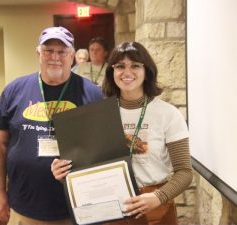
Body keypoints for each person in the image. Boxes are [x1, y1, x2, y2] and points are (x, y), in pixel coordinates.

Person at [51, 41, 193, 225]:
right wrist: (64, 173)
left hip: (155, 208)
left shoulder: (167, 114)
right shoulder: (96, 113)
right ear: (111, 72)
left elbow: (185, 172)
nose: (127, 72)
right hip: (111, 209)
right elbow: (85, 168)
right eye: (120, 66)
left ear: (146, 71)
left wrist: (158, 196)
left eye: (135, 65)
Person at [0, 26, 103, 225]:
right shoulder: (14, 90)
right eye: (48, 50)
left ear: (73, 55)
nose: (55, 57)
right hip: (23, 209)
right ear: (38, 52)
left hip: (76, 211)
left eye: (62, 51)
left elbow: (102, 150)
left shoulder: (92, 94)